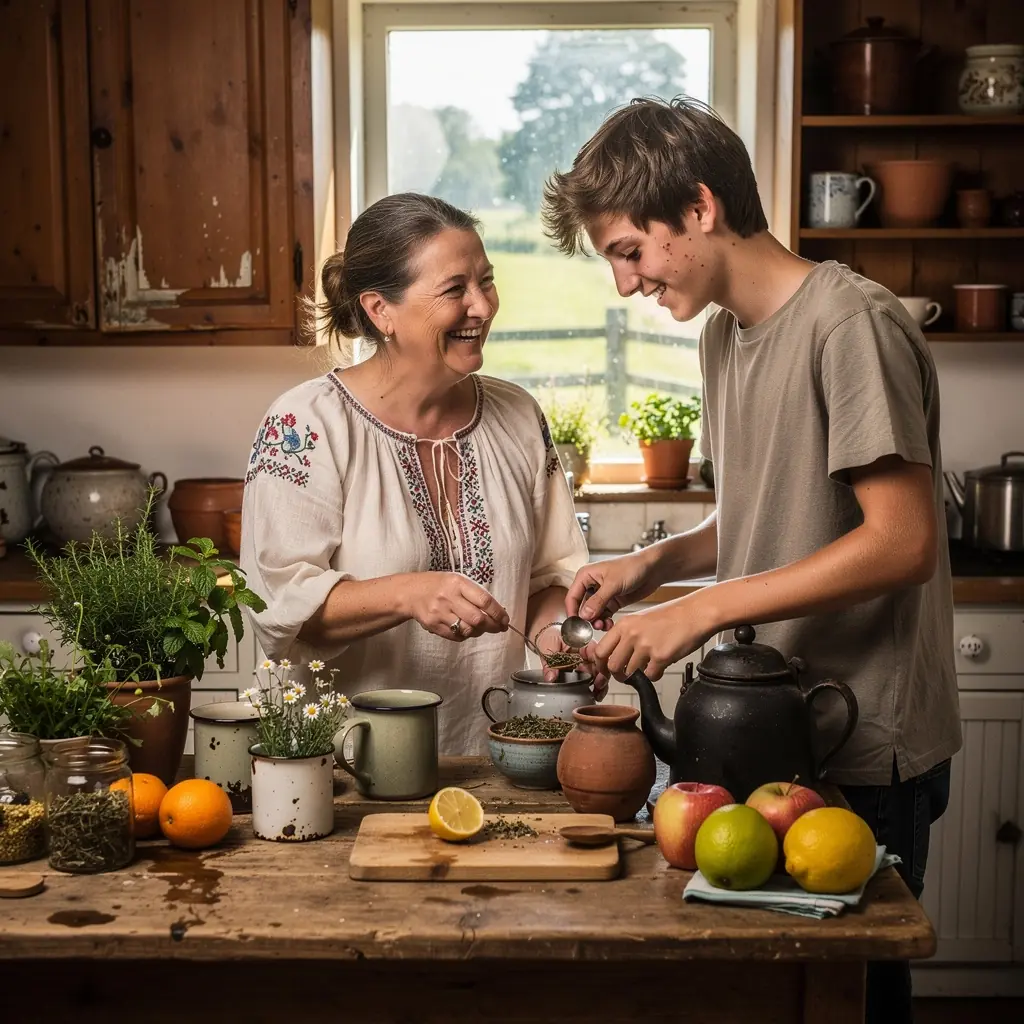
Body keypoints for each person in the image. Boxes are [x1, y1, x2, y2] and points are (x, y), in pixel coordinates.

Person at [543, 98, 959, 1024]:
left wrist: (704, 608)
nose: (623, 284)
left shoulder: (851, 324)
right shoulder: (726, 337)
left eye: (628, 250)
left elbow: (903, 540)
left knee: (851, 1004)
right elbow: (773, 510)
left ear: (698, 207)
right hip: (774, 730)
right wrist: (658, 564)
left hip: (858, 742)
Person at [240, 192, 594, 755]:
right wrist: (410, 593)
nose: (481, 306)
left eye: (487, 281)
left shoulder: (519, 416)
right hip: (341, 772)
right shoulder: (304, 425)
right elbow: (283, 606)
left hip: (494, 761)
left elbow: (550, 575)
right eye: (455, 289)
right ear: (381, 310)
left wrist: (556, 643)